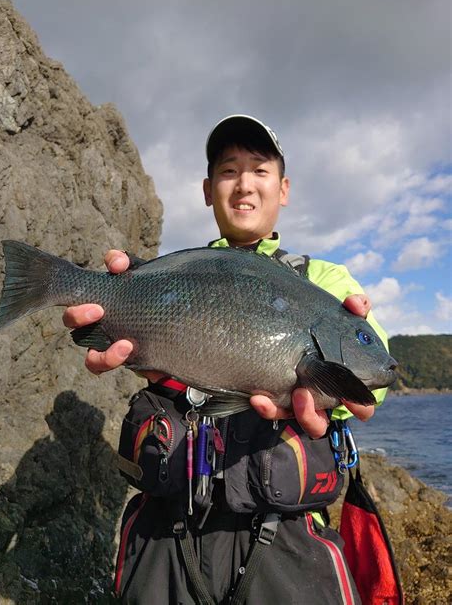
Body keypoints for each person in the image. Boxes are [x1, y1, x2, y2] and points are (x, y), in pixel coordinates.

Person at [63, 115, 389, 604]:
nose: (244, 184)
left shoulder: (327, 283)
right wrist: (103, 316)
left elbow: (375, 380)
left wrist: (356, 393)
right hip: (167, 533)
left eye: (260, 170)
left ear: (284, 189)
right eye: (229, 171)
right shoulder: (174, 271)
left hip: (288, 537)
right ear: (208, 189)